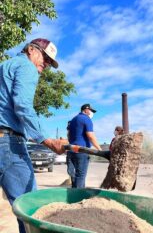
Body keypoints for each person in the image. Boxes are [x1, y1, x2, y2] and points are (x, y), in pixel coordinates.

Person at [0, 38, 65, 233]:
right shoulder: (25, 66)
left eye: (49, 62)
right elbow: (23, 106)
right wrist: (47, 140)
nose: (45, 64)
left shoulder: (5, 66)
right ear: (31, 50)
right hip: (8, 144)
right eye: (44, 57)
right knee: (31, 208)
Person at [67, 103, 102, 188]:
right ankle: (78, 196)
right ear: (86, 110)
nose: (91, 113)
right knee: (81, 175)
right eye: (91, 111)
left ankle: (73, 194)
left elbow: (68, 135)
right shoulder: (86, 119)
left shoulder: (73, 120)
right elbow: (90, 136)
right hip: (81, 151)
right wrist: (99, 149)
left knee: (74, 175)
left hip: (71, 150)